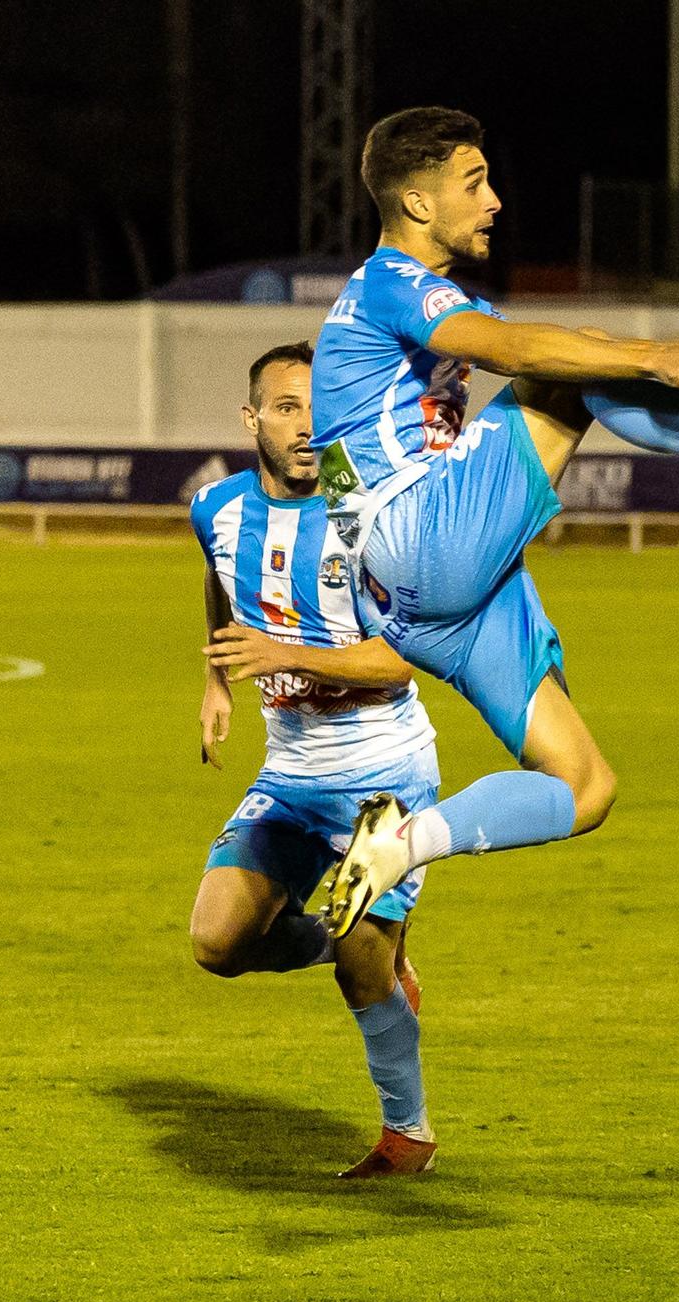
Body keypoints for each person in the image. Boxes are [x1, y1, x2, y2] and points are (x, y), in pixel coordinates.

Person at [308, 108, 679, 935]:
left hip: (417, 602)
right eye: (474, 183)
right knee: (567, 370)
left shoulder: (407, 294)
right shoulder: (392, 283)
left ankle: (399, 844)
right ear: (418, 205)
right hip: (418, 540)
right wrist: (657, 355)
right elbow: (518, 352)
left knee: (583, 786)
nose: (495, 200)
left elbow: (545, 346)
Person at [190, 341, 440, 1177]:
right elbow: (220, 583)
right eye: (287, 408)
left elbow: (403, 659)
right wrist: (220, 676)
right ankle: (353, 941)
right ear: (251, 419)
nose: (306, 428)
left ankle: (408, 1138)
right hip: (291, 777)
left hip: (387, 775)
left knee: (364, 975)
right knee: (217, 943)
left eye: (319, 408)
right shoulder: (216, 509)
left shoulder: (369, 510)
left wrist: (278, 654)